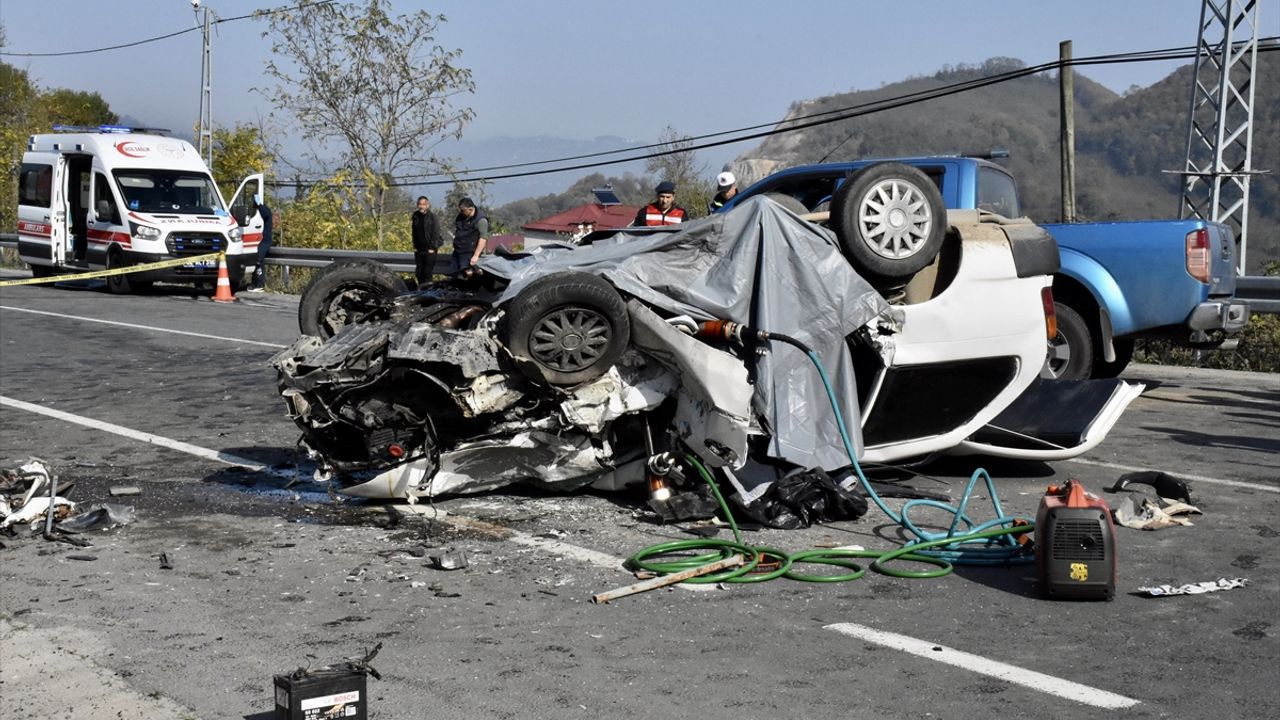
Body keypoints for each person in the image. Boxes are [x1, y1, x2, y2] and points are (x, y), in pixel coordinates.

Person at [451, 197, 488, 273]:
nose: (461, 212)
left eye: (463, 210)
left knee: (467, 275)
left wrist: (476, 255)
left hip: (470, 253)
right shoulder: (461, 217)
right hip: (458, 252)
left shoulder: (481, 220)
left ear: (470, 209)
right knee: (454, 274)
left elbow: (483, 239)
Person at [411, 195, 440, 286]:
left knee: (427, 273)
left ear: (427, 205)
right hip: (419, 249)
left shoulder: (432, 217)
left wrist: (432, 247)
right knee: (419, 273)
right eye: (419, 204)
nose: (421, 206)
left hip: (429, 250)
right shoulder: (415, 216)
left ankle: (428, 291)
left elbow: (436, 233)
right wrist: (415, 246)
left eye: (423, 204)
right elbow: (414, 231)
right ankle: (421, 291)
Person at [247, 193, 273, 292]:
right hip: (261, 240)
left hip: (265, 241)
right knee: (256, 260)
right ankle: (254, 283)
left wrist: (259, 205)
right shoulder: (260, 210)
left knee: (258, 260)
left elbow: (265, 214)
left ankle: (259, 284)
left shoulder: (265, 210)